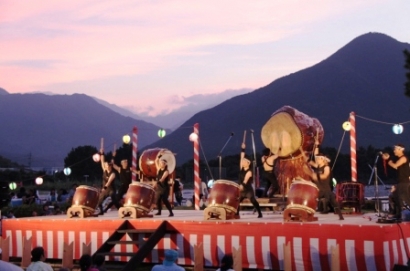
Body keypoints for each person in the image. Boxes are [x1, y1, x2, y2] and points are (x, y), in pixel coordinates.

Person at [306, 153, 344, 220]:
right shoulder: (317, 166)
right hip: (318, 189)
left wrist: (313, 175)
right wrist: (302, 152)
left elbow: (325, 176)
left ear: (323, 159)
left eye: (318, 159)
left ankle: (340, 216)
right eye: (317, 158)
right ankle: (308, 215)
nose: (317, 160)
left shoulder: (326, 167)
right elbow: (309, 161)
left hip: (326, 189)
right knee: (309, 199)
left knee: (334, 203)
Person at [382, 144, 410, 219]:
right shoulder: (397, 158)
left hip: (405, 182)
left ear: (400, 150)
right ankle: (398, 214)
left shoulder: (404, 158)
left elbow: (395, 165)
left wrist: (389, 161)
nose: (394, 150)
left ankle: (406, 214)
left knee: (404, 198)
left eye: (395, 149)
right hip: (400, 181)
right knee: (395, 197)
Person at [236, 143, 263, 218]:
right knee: (237, 201)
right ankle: (237, 213)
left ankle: (260, 213)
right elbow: (242, 157)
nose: (243, 161)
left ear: (248, 163)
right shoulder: (242, 168)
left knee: (253, 200)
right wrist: (243, 149)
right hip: (241, 188)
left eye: (245, 161)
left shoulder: (250, 171)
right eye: (243, 161)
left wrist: (241, 186)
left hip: (247, 189)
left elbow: (245, 180)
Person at [97, 149, 121, 215]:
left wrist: (103, 188)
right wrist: (102, 154)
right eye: (106, 166)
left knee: (115, 201)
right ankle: (101, 211)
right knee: (99, 201)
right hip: (105, 189)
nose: (107, 167)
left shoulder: (113, 174)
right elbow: (102, 161)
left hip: (111, 189)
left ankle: (122, 210)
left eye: (108, 166)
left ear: (110, 166)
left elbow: (109, 182)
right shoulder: (104, 170)